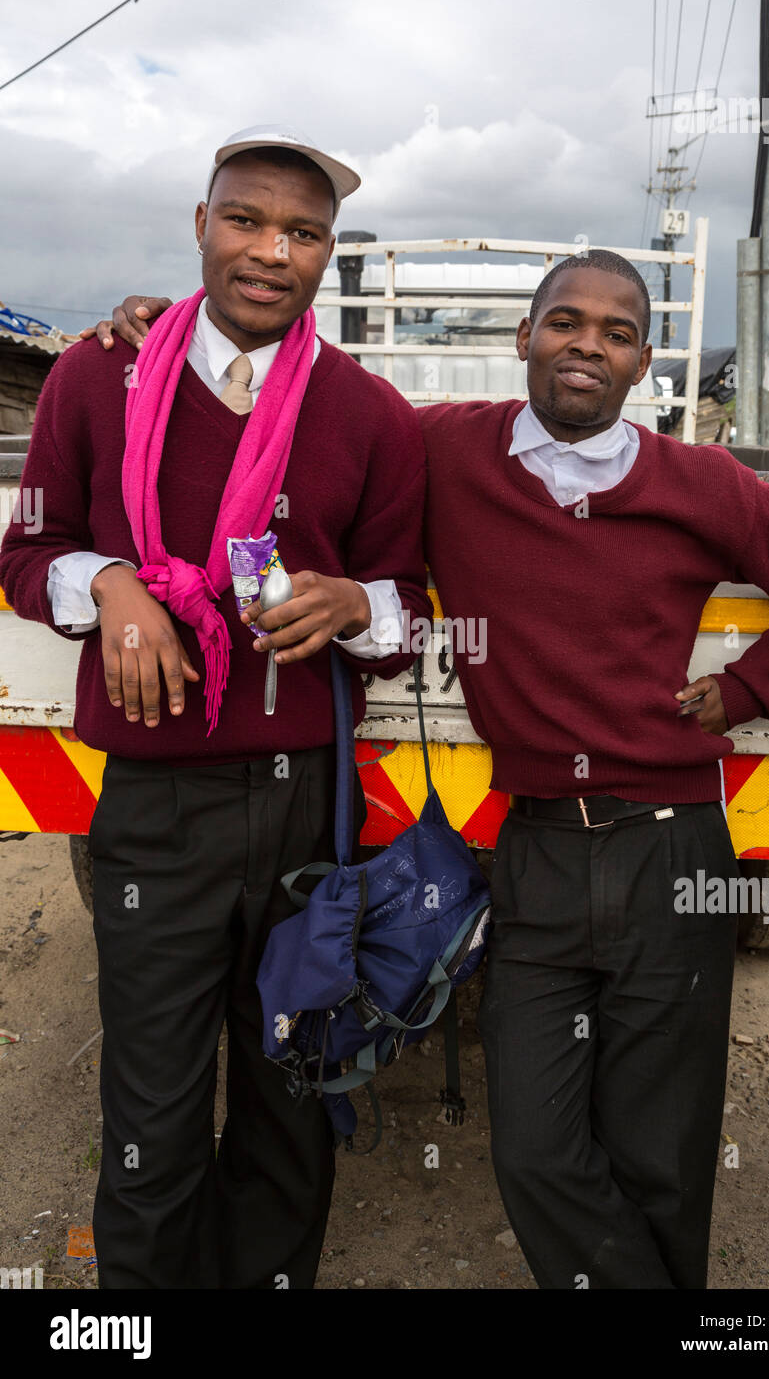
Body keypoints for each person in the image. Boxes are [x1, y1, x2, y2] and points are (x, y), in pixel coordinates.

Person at [90, 249, 769, 1290]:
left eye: (615, 332)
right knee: (535, 1150)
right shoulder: (445, 448)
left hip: (672, 846)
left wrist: (747, 688)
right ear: (524, 339)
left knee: (663, 1158)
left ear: (642, 365)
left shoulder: (699, 482)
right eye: (563, 322)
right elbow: (324, 409)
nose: (585, 344)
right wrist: (187, 329)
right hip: (536, 847)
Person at [0, 126, 431, 1290]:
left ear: (327, 256)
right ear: (201, 224)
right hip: (155, 804)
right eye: (245, 219)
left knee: (291, 1098)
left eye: (303, 233)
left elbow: (412, 618)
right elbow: (28, 548)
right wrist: (114, 583)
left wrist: (354, 604)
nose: (269, 251)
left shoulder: (369, 413)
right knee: (151, 1105)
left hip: (303, 814)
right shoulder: (102, 372)